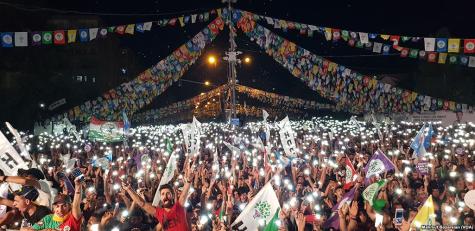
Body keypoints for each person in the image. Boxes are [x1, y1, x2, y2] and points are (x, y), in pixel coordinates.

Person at [123, 160, 193, 231]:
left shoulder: (179, 206)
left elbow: (184, 194)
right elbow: (142, 204)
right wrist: (129, 189)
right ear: (161, 198)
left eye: (168, 193)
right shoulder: (159, 212)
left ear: (172, 195)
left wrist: (189, 181)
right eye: (162, 194)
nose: (165, 196)